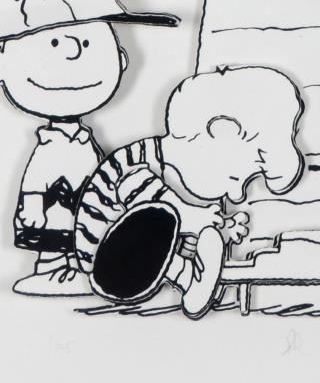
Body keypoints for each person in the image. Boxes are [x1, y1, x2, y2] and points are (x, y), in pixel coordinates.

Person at [0, 0, 179, 296]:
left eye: (86, 43)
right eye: (54, 42)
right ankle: (49, 268)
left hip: (87, 207)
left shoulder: (85, 144)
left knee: (83, 234)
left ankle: (79, 267)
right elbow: (37, 177)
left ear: (120, 59)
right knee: (53, 238)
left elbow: (98, 175)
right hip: (53, 208)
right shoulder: (48, 147)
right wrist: (33, 204)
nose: (72, 51)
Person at [75, 66, 304, 319]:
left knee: (170, 225)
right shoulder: (143, 160)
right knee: (155, 218)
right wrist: (192, 216)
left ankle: (194, 283)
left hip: (136, 261)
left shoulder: (177, 177)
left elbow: (179, 227)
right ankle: (190, 282)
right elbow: (137, 192)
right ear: (221, 131)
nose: (237, 197)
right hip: (108, 266)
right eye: (236, 178)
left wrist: (222, 228)